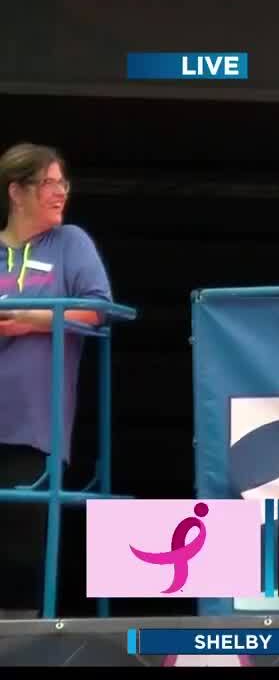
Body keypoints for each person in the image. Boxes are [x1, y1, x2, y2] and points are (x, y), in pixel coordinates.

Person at [0, 143, 112, 615]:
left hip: (34, 426)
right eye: (48, 183)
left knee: (24, 549)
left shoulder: (71, 243)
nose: (59, 192)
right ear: (17, 191)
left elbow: (98, 306)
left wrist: (32, 319)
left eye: (63, 182)